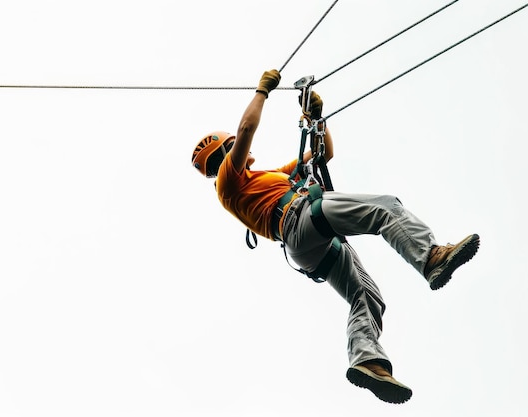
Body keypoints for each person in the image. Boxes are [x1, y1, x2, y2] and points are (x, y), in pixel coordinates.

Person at [190, 69, 480, 404]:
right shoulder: (228, 179)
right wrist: (262, 91)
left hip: (305, 242)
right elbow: (246, 129)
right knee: (385, 208)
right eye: (233, 144)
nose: (242, 145)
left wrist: (317, 118)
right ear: (224, 150)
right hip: (300, 220)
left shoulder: (266, 177)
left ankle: (367, 360)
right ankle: (430, 257)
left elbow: (322, 154)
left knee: (367, 297)